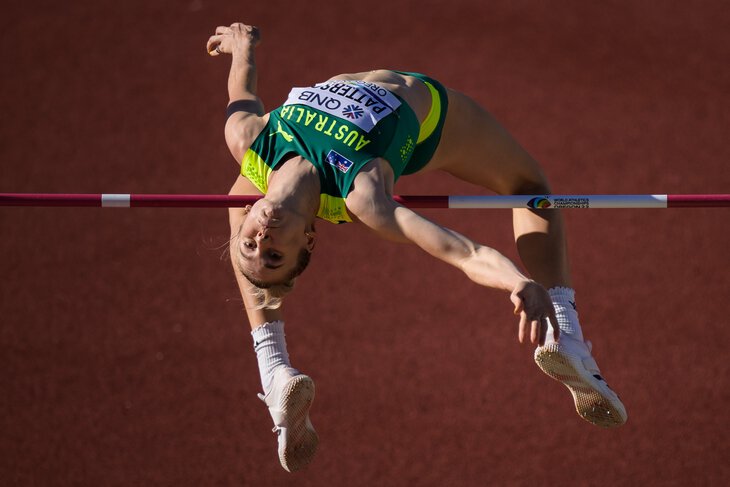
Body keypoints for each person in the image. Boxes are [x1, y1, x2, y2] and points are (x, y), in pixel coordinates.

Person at [207, 23, 627, 472]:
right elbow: (461, 252)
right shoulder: (363, 195)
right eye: (273, 254)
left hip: (281, 156)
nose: (262, 237)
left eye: (251, 241)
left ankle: (274, 372)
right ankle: (567, 332)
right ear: (308, 239)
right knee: (528, 187)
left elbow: (242, 89)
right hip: (428, 120)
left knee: (238, 190)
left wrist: (242, 47)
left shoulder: (248, 140)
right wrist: (520, 282)